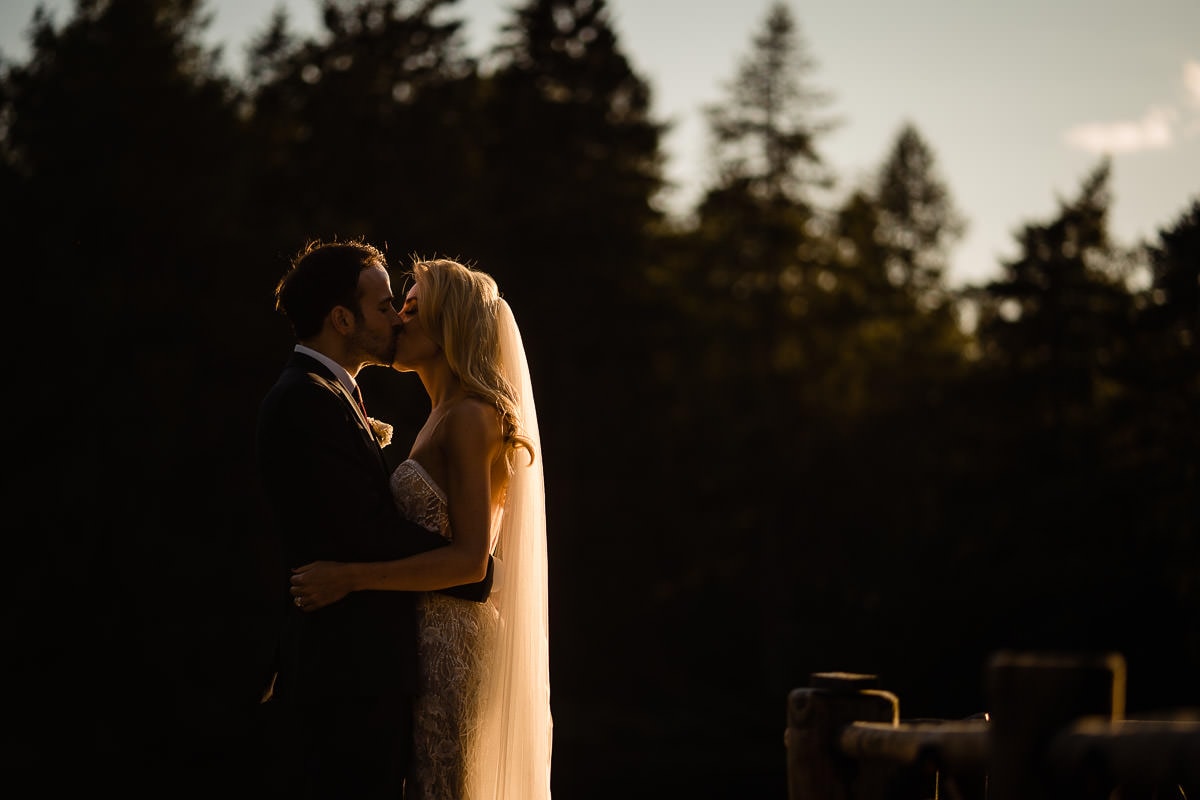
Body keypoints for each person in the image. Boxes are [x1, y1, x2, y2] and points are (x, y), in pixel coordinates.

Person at [289, 257, 552, 800]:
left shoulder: (471, 418)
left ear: (446, 327)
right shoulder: (441, 414)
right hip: (417, 639)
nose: (398, 322)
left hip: (453, 639)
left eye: (410, 309)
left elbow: (470, 561)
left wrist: (349, 577)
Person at [255, 239, 493, 800]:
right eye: (386, 306)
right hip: (345, 674)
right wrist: (476, 569)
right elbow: (364, 531)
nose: (396, 317)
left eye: (404, 307)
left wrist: (469, 560)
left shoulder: (333, 397)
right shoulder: (305, 400)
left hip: (376, 669)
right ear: (342, 318)